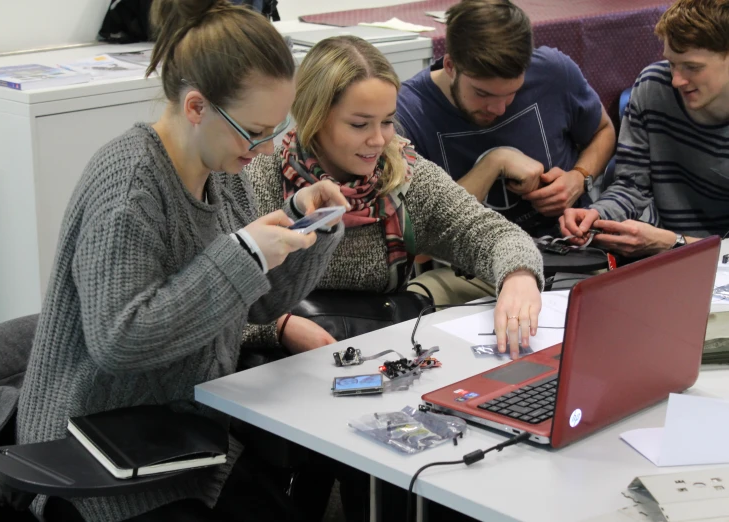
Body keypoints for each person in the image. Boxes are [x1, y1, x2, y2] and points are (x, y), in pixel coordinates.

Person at [15, 0, 348, 520]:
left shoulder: (223, 172)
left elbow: (259, 305)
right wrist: (242, 255)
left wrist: (307, 228)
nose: (263, 150)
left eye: (274, 131)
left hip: (183, 440)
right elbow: (119, 341)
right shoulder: (128, 187)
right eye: (254, 131)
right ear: (197, 107)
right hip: (94, 457)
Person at [243, 34, 544, 522]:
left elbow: (490, 233)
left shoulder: (403, 177)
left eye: (387, 121)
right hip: (279, 374)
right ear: (315, 117)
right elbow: (207, 309)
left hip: (372, 362)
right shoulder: (257, 181)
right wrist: (276, 327)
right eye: (360, 124)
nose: (379, 140)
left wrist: (519, 277)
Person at [396, 0, 615, 238]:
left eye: (513, 92)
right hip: (473, 268)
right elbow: (416, 238)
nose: (499, 108)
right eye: (483, 93)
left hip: (570, 246)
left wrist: (579, 177)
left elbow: (603, 130)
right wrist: (494, 163)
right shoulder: (407, 113)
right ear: (450, 66)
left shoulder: (552, 72)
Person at [560, 0, 729, 256]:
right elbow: (633, 186)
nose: (676, 80)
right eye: (672, 63)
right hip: (660, 257)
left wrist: (674, 243)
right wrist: (599, 214)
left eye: (692, 67)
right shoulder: (653, 87)